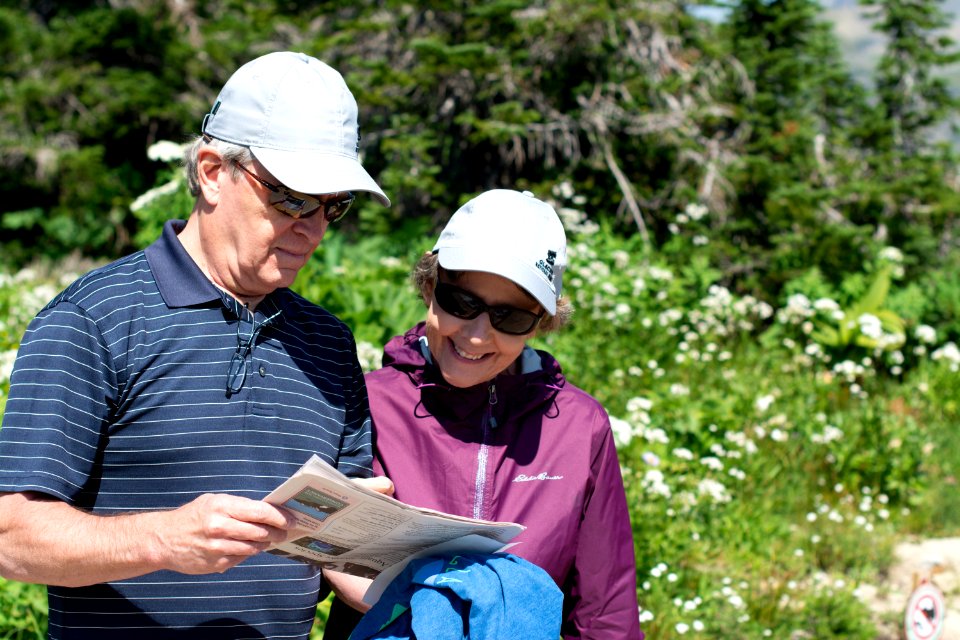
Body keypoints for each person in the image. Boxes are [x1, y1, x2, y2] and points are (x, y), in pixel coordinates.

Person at [0, 51, 393, 639]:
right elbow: (11, 537)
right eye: (291, 197)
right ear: (212, 171)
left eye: (334, 205)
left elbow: (341, 560)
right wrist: (162, 539)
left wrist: (417, 565)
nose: (312, 227)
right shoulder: (95, 318)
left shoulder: (330, 343)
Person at [324, 189, 642, 639]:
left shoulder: (580, 426)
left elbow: (605, 610)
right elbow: (292, 571)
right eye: (462, 303)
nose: (476, 335)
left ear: (542, 322)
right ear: (430, 287)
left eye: (509, 317)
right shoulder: (364, 402)